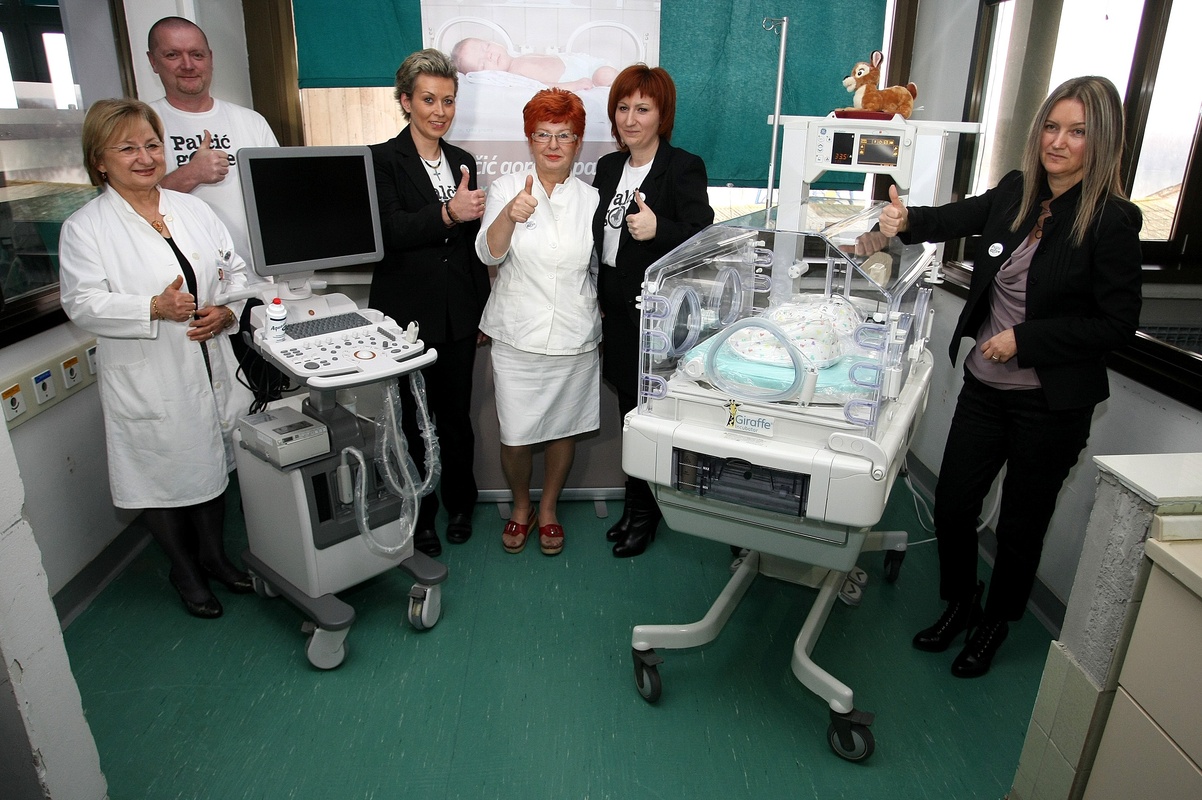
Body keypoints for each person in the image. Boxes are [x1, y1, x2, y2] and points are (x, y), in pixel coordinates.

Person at [879, 76, 1142, 677]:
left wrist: (1025, 339)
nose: (1058, 142)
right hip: (985, 389)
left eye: (1077, 132)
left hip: (1050, 405)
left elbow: (1117, 325)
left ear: (1101, 141)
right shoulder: (1018, 190)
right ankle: (960, 601)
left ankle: (996, 621)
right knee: (953, 505)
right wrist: (905, 218)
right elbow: (955, 217)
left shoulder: (1111, 221)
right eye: (1051, 127)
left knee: (1022, 525)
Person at [58, 98, 256, 619]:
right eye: (127, 148)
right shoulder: (86, 228)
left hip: (210, 360)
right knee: (160, 471)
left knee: (212, 461)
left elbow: (235, 271)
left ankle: (213, 557)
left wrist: (226, 312)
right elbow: (81, 302)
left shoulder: (193, 210)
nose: (145, 158)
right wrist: (152, 307)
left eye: (151, 145)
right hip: (149, 373)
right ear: (99, 160)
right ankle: (184, 570)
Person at [369, 49, 490, 558]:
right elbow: (388, 231)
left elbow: (471, 247)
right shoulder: (380, 160)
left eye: (448, 100)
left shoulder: (463, 161)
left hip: (458, 312)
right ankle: (420, 513)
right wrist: (447, 213)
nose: (440, 111)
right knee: (412, 422)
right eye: (428, 100)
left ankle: (461, 504)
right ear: (405, 101)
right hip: (404, 316)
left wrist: (482, 309)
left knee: (456, 417)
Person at [592, 65, 714, 558]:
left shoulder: (683, 167)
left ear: (662, 116)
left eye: (642, 109)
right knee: (630, 412)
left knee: (651, 416)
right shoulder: (608, 168)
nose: (630, 119)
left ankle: (646, 513)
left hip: (660, 318)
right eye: (623, 108)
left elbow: (704, 238)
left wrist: (660, 229)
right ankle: (636, 506)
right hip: (617, 312)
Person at [476, 88, 600, 556]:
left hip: (573, 333)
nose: (553, 145)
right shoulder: (507, 187)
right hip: (517, 336)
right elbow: (489, 253)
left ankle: (548, 509)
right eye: (543, 134)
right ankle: (521, 506)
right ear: (529, 139)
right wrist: (509, 216)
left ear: (577, 142)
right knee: (516, 434)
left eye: (564, 135)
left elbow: (599, 266)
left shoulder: (592, 199)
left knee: (564, 428)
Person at [146, 16, 279, 271]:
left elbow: (278, 200)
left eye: (197, 55)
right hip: (181, 282)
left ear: (210, 58)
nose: (188, 65)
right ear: (153, 61)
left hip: (255, 277)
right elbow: (128, 207)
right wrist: (191, 174)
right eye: (173, 55)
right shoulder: (140, 125)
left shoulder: (251, 122)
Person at [450, 37, 617, 92]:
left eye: (486, 47)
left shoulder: (517, 58)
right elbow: (541, 86)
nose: (490, 56)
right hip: (578, 77)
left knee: (608, 73)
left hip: (580, 64)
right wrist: (574, 85)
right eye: (482, 64)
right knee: (605, 75)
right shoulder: (514, 75)